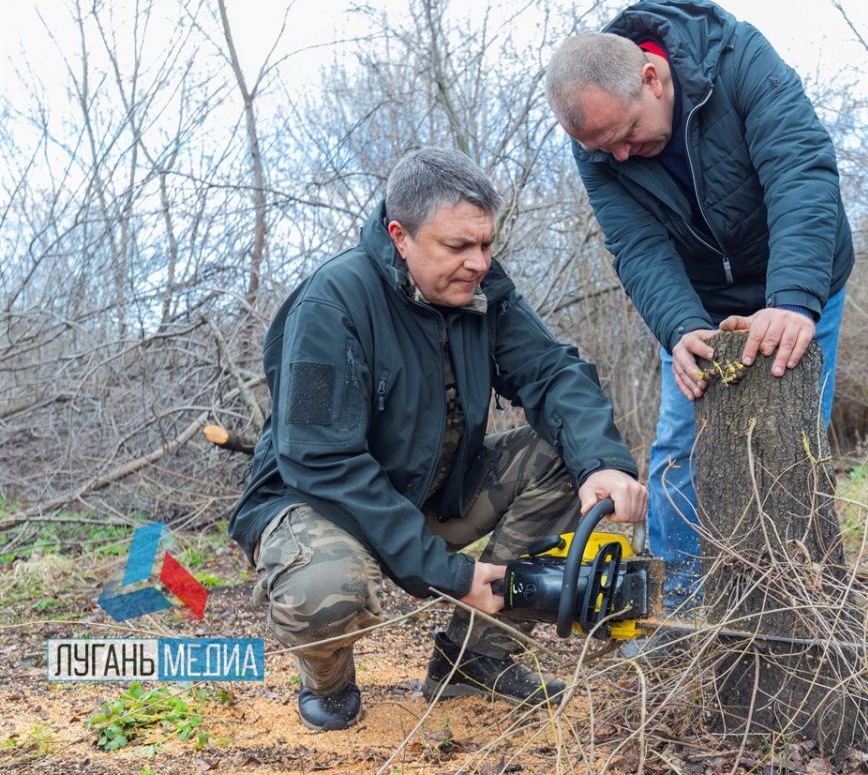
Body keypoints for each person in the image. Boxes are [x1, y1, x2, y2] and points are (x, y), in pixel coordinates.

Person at [229, 148, 647, 731]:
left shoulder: (481, 291)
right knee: (327, 586)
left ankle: (473, 662)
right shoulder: (334, 302)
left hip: (431, 492)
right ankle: (328, 678)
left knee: (563, 457)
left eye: (486, 244)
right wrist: (452, 576)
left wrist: (603, 463)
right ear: (400, 236)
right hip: (317, 504)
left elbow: (551, 373)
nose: (478, 262)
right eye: (458, 247)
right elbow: (320, 460)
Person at [545, 0, 853, 612]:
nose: (621, 157)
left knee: (790, 440)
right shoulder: (599, 145)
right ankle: (683, 608)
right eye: (607, 149)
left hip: (798, 278)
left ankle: (797, 604)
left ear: (652, 78)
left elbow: (800, 173)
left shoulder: (738, 60)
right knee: (679, 448)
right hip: (700, 299)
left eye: (627, 135)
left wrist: (792, 300)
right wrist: (680, 327)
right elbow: (636, 245)